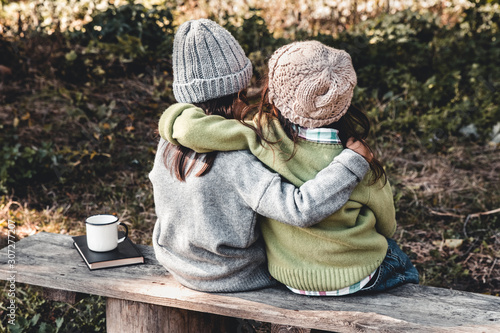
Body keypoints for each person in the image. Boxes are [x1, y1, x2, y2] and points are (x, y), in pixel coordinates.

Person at [158, 40, 420, 295]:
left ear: (274, 94)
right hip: (355, 276)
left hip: (289, 276)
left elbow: (194, 129)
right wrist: (354, 165)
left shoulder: (262, 136)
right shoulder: (357, 161)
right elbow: (387, 225)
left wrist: (172, 116)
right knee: (399, 260)